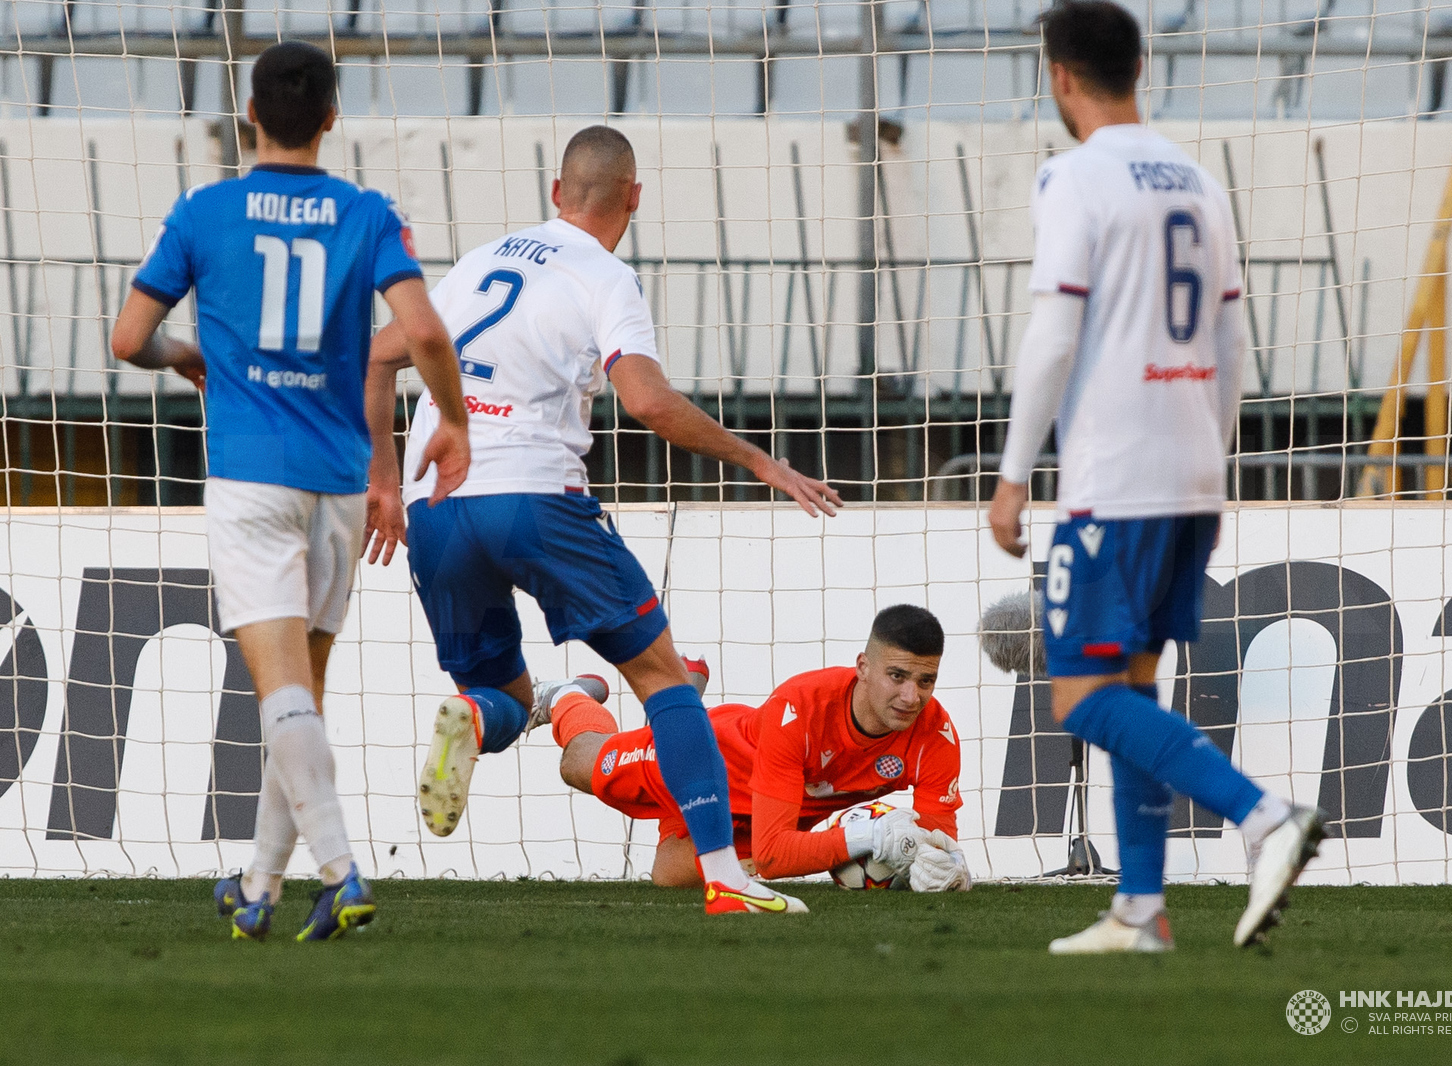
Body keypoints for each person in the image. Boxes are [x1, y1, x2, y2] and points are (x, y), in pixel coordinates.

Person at [363, 125, 843, 915]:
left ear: (557, 193)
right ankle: (725, 875)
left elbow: (379, 358)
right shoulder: (604, 275)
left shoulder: (479, 261)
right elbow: (648, 402)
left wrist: (384, 484)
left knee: (503, 693)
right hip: (533, 496)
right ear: (634, 198)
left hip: (434, 504)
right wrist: (761, 461)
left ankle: (476, 720)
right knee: (665, 680)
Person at [110, 40, 472, 941]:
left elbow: (127, 339)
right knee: (303, 692)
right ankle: (261, 887)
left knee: (280, 695)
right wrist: (453, 419)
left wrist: (184, 353)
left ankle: (344, 872)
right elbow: (423, 329)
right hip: (339, 483)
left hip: (249, 480)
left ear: (249, 120)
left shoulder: (203, 211)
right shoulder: (367, 212)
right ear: (332, 119)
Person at [987, 1, 1323, 954]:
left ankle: (1264, 818)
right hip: (1191, 468)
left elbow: (1054, 328)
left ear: (1058, 76)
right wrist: (1210, 459)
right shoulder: (1197, 180)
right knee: (1132, 686)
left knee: (1082, 698)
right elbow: (1231, 339)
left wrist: (1014, 476)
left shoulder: (1075, 176)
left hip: (1119, 473)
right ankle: (1140, 908)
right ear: (1141, 66)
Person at [543, 605, 970, 892]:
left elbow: (935, 842)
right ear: (862, 667)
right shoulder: (801, 708)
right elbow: (773, 856)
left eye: (925, 681)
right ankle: (567, 698)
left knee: (669, 878)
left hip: (774, 810)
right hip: (712, 764)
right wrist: (867, 837)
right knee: (580, 765)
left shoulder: (937, 736)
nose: (912, 697)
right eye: (897, 677)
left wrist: (947, 869)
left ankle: (683, 695)